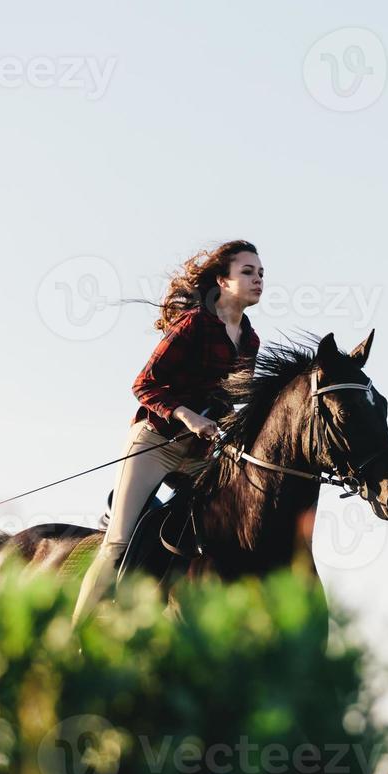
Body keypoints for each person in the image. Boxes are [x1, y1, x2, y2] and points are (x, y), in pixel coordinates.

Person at [71, 239, 263, 627]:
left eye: (261, 274)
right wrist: (188, 416)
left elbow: (233, 402)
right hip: (155, 442)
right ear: (223, 282)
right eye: (248, 272)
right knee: (117, 544)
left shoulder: (250, 340)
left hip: (200, 456)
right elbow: (144, 384)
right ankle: (77, 635)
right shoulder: (193, 325)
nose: (258, 279)